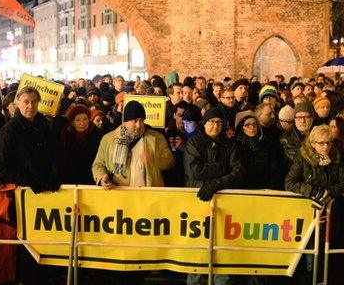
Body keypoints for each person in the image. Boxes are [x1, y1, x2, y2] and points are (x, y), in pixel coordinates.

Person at [183, 107, 244, 285]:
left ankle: (221, 281)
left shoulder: (230, 145)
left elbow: (239, 172)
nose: (215, 126)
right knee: (197, 245)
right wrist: (222, 168)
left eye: (219, 122)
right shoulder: (194, 143)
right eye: (211, 122)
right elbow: (195, 171)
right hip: (198, 200)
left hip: (224, 201)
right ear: (204, 124)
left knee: (222, 244)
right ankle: (194, 280)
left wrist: (217, 183)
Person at [284, 125, 344, 283]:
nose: (326, 146)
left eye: (328, 142)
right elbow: (289, 182)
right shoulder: (302, 159)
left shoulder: (336, 158)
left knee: (323, 253)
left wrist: (330, 192)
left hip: (329, 214)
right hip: (307, 215)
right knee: (308, 255)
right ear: (313, 143)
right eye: (321, 143)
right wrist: (312, 190)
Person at [92, 101, 174, 189]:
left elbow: (170, 162)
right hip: (119, 192)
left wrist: (154, 158)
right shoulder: (108, 139)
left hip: (149, 193)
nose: (138, 125)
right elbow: (98, 164)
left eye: (141, 121)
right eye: (134, 121)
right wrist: (101, 178)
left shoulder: (157, 138)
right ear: (125, 121)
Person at [0, 86, 59, 193]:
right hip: (23, 192)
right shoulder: (9, 130)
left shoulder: (44, 124)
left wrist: (53, 175)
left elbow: (54, 151)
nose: (30, 106)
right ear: (18, 103)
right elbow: (0, 167)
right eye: (26, 102)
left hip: (48, 189)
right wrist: (29, 181)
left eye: (34, 101)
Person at [234, 110, 286, 190]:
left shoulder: (268, 144)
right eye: (247, 125)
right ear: (241, 128)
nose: (252, 127)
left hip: (266, 190)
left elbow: (275, 171)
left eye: (254, 124)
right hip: (243, 192)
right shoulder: (235, 146)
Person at [57, 104, 101, 185]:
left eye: (85, 119)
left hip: (92, 181)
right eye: (78, 120)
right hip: (69, 182)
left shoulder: (98, 135)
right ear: (72, 122)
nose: (82, 123)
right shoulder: (65, 135)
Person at [281, 101, 315, 166]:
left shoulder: (317, 133)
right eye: (299, 117)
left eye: (306, 117)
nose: (302, 121)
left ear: (312, 118)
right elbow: (298, 160)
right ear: (294, 119)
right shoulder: (286, 138)